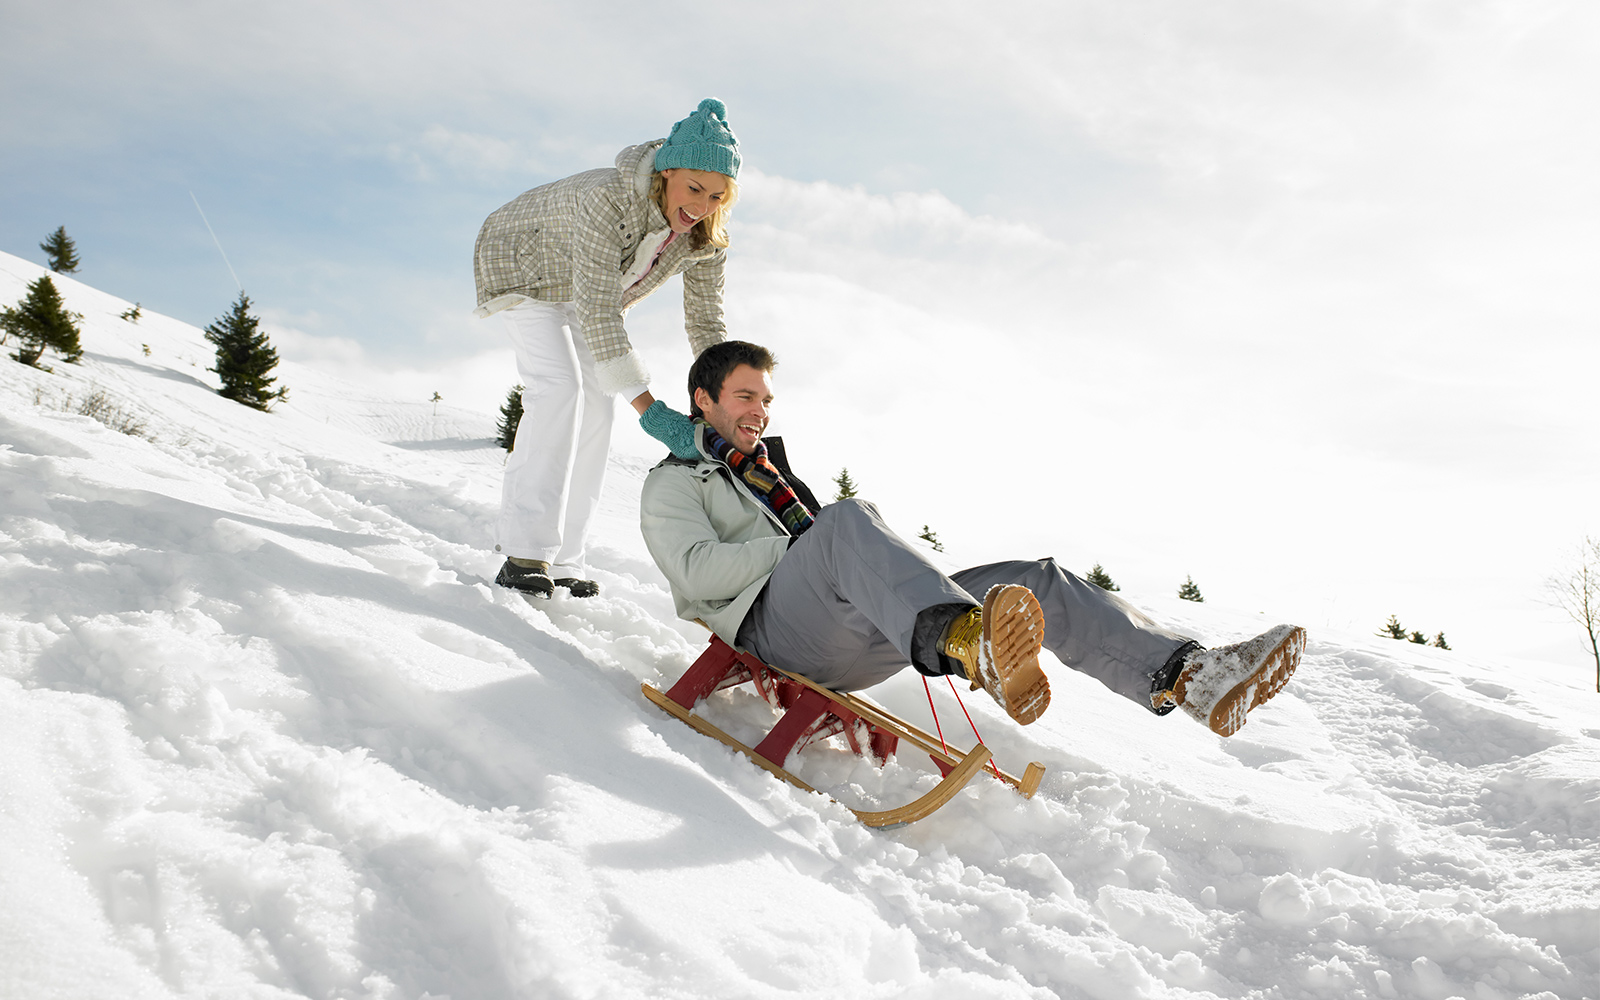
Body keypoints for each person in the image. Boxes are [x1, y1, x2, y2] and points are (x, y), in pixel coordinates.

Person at [638, 341, 1305, 736]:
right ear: (703, 400)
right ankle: (965, 640)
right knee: (842, 520)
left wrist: (819, 547)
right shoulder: (675, 484)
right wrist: (801, 547)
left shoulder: (771, 476)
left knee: (1032, 580)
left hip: (857, 635)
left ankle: (1190, 677)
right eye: (746, 396)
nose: (759, 411)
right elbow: (696, 574)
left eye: (767, 401)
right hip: (771, 636)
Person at [473, 98, 738, 599]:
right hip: (523, 262)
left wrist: (726, 397)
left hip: (588, 288)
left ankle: (567, 557)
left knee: (598, 404)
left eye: (717, 195)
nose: (702, 205)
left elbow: (706, 323)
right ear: (666, 173)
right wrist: (654, 413)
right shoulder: (609, 199)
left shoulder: (706, 237)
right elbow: (599, 313)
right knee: (560, 388)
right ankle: (524, 552)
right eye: (694, 188)